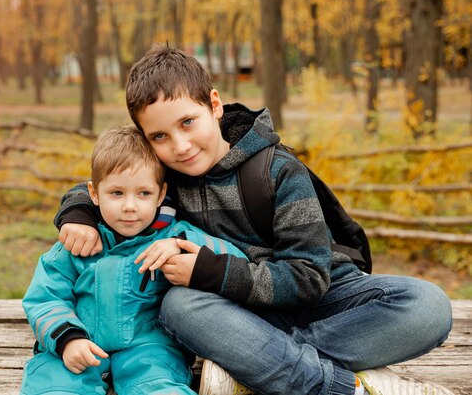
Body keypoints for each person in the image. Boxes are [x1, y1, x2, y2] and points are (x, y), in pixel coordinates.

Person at [53, 45, 454, 395]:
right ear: (146, 138)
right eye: (158, 137)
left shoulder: (278, 171)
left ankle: (255, 367)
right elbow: (108, 182)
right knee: (179, 306)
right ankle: (331, 386)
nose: (180, 146)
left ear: (213, 104)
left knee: (428, 306)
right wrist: (79, 212)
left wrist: (212, 272)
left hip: (322, 295)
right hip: (234, 313)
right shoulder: (166, 177)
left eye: (188, 122)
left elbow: (310, 278)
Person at [21, 126, 248, 395]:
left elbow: (236, 258)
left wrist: (181, 247)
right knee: (54, 385)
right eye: (117, 193)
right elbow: (44, 298)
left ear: (161, 194)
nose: (130, 206)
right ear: (94, 194)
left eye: (144, 194)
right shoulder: (80, 241)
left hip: (148, 347)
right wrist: (67, 339)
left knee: (159, 386)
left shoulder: (173, 235)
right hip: (81, 342)